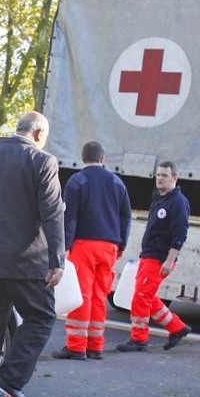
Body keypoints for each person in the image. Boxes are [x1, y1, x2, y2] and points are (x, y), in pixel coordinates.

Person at [0, 112, 64, 397]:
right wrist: (57, 259)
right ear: (38, 133)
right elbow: (52, 212)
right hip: (27, 263)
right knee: (42, 317)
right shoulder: (42, 161)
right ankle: (9, 382)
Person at [53, 141, 131, 360]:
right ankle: (96, 345)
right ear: (103, 159)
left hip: (84, 245)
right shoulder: (117, 183)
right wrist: (121, 243)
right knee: (99, 296)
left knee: (82, 294)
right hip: (109, 246)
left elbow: (70, 217)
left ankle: (77, 346)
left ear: (82, 157)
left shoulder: (77, 181)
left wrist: (65, 246)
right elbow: (126, 216)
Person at [116, 162, 191, 353]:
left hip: (159, 259)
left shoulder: (178, 202)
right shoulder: (160, 198)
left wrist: (169, 260)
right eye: (158, 175)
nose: (160, 178)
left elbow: (180, 234)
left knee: (141, 297)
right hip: (149, 256)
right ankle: (178, 327)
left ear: (175, 178)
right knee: (146, 296)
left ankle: (139, 339)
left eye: (165, 175)